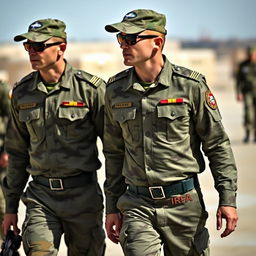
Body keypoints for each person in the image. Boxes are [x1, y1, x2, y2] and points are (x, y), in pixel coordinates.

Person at [103, 9, 238, 256]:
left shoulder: (190, 86)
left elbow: (217, 145)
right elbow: (114, 153)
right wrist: (111, 206)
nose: (123, 45)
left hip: (183, 205)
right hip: (136, 205)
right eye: (121, 39)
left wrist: (227, 199)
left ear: (158, 42)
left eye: (131, 39)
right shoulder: (115, 90)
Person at [2, 18, 106, 255]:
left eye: (39, 46)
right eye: (28, 46)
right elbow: (17, 153)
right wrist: (10, 209)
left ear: (62, 48)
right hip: (41, 197)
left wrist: (115, 204)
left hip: (84, 198)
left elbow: (114, 149)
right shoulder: (22, 92)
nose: (32, 52)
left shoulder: (90, 90)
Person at [236, 46, 256, 143]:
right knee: (248, 113)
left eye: (253, 54)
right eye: (250, 54)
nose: (251, 56)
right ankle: (248, 134)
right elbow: (238, 80)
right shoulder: (243, 65)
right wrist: (238, 93)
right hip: (247, 91)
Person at [0, 80, 10, 240]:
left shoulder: (1, 89)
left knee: (1, 205)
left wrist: (7, 150)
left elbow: (12, 119)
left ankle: (7, 244)